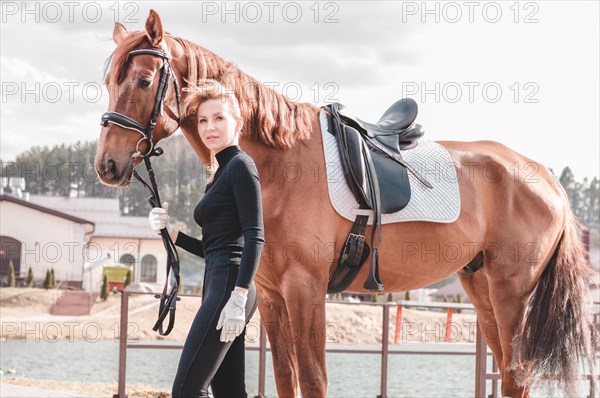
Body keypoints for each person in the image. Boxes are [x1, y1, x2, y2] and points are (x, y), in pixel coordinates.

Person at [148, 79, 264, 397]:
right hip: (220, 281)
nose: (209, 127)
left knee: (187, 390)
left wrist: (238, 298)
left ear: (237, 123)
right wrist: (170, 232)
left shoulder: (241, 166)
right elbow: (213, 248)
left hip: (231, 287)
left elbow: (255, 237)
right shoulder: (219, 172)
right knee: (228, 391)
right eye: (202, 120)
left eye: (218, 118)